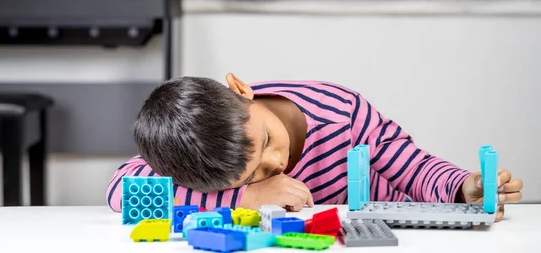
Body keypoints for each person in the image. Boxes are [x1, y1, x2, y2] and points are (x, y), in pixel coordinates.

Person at [106, 74, 523, 221]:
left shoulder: (340, 112)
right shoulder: (192, 147)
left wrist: (460, 188)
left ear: (241, 90)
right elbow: (121, 189)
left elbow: (409, 165)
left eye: (267, 141)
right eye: (256, 172)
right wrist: (246, 195)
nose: (278, 162)